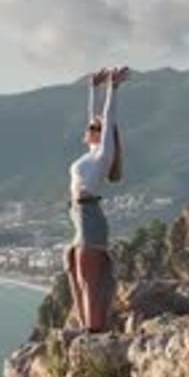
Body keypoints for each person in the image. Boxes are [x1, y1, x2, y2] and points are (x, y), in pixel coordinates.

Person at [65, 65, 129, 332]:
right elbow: (94, 116)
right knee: (77, 274)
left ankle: (94, 330)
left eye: (94, 127)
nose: (89, 126)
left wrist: (112, 89)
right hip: (80, 216)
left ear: (101, 134)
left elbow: (106, 117)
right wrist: (93, 86)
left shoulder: (103, 155)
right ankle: (88, 325)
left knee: (88, 278)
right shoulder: (92, 153)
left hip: (89, 217)